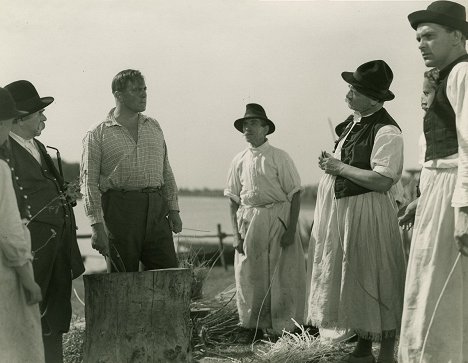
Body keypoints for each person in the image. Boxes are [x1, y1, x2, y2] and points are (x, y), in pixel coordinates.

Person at [306, 60, 405, 363]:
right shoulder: (353, 122)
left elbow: (382, 179)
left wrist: (338, 167)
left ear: (375, 97)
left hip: (368, 213)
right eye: (349, 87)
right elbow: (347, 163)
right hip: (345, 213)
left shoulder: (387, 131)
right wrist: (331, 164)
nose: (348, 93)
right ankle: (363, 347)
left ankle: (386, 351)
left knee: (377, 277)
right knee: (354, 278)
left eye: (355, 89)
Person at [399, 2, 468, 362]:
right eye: (417, 38)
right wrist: (422, 196)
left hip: (458, 190)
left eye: (429, 36)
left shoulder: (463, 75)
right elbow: (436, 151)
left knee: (446, 287)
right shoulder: (444, 78)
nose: (421, 44)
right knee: (428, 282)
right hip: (439, 190)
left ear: (457, 36)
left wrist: (464, 210)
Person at [5, 80, 85, 363]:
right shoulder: (4, 151)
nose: (44, 118)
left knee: (54, 321)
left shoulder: (37, 146)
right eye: (39, 113)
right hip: (32, 253)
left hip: (57, 252)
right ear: (20, 118)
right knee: (26, 323)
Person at [81, 69, 182, 273]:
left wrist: (173, 209)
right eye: (136, 90)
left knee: (167, 275)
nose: (144, 94)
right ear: (118, 95)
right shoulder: (97, 133)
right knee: (121, 280)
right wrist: (96, 225)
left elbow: (166, 170)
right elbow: (88, 182)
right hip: (120, 210)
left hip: (156, 209)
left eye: (145, 89)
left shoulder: (154, 126)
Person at [224, 103, 306, 340]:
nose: (247, 129)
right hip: (249, 220)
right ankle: (252, 325)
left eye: (252, 124)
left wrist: (291, 230)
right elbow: (232, 200)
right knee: (249, 272)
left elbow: (295, 193)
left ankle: (284, 326)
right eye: (244, 125)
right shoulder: (238, 160)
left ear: (265, 128)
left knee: (282, 272)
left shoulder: (279, 157)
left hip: (277, 217)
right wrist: (235, 235)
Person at [0, 87, 44, 363]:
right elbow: (9, 232)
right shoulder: (1, 169)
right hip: (6, 274)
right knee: (16, 348)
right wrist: (29, 281)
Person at [399, 68, 439, 231]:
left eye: (427, 93)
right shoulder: (428, 126)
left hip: (438, 198)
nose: (422, 98)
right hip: (426, 198)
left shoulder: (446, 131)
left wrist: (419, 203)